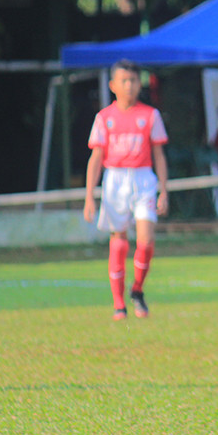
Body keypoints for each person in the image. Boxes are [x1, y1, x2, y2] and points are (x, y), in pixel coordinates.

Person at [83, 59, 169, 321]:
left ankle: (137, 289)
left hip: (143, 178)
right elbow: (96, 158)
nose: (130, 86)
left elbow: (159, 155)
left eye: (133, 81)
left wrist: (163, 190)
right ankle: (119, 304)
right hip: (115, 179)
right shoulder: (104, 118)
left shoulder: (150, 115)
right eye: (124, 81)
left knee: (145, 239)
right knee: (118, 241)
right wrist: (89, 196)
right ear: (113, 85)